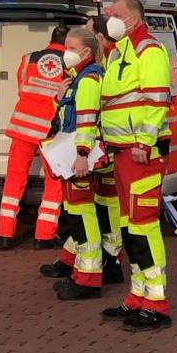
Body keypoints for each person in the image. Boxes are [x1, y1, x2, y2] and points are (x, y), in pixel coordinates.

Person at [98, 0, 173, 332]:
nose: (109, 18)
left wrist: (144, 141)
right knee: (130, 227)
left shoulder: (148, 49)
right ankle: (138, 295)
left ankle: (157, 304)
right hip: (123, 151)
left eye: (114, 14)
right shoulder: (121, 50)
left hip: (142, 152)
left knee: (143, 225)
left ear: (133, 18)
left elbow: (157, 99)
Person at [39, 28, 107, 300]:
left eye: (71, 48)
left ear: (86, 51)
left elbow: (86, 121)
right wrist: (59, 97)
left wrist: (81, 154)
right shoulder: (77, 77)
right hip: (74, 153)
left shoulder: (88, 79)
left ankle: (88, 278)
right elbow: (68, 116)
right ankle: (75, 266)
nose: (66, 53)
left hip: (80, 157)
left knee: (83, 215)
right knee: (76, 213)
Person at [0, 24, 68, 250]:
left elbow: (22, 87)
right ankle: (44, 236)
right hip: (49, 131)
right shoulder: (69, 64)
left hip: (23, 126)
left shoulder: (29, 59)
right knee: (54, 182)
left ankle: (4, 234)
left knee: (14, 180)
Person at [85, 15, 127, 285]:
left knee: (110, 206)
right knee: (104, 204)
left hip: (110, 145)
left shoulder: (112, 59)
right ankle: (110, 258)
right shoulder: (111, 58)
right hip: (107, 144)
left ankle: (113, 261)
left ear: (100, 37)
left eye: (90, 34)